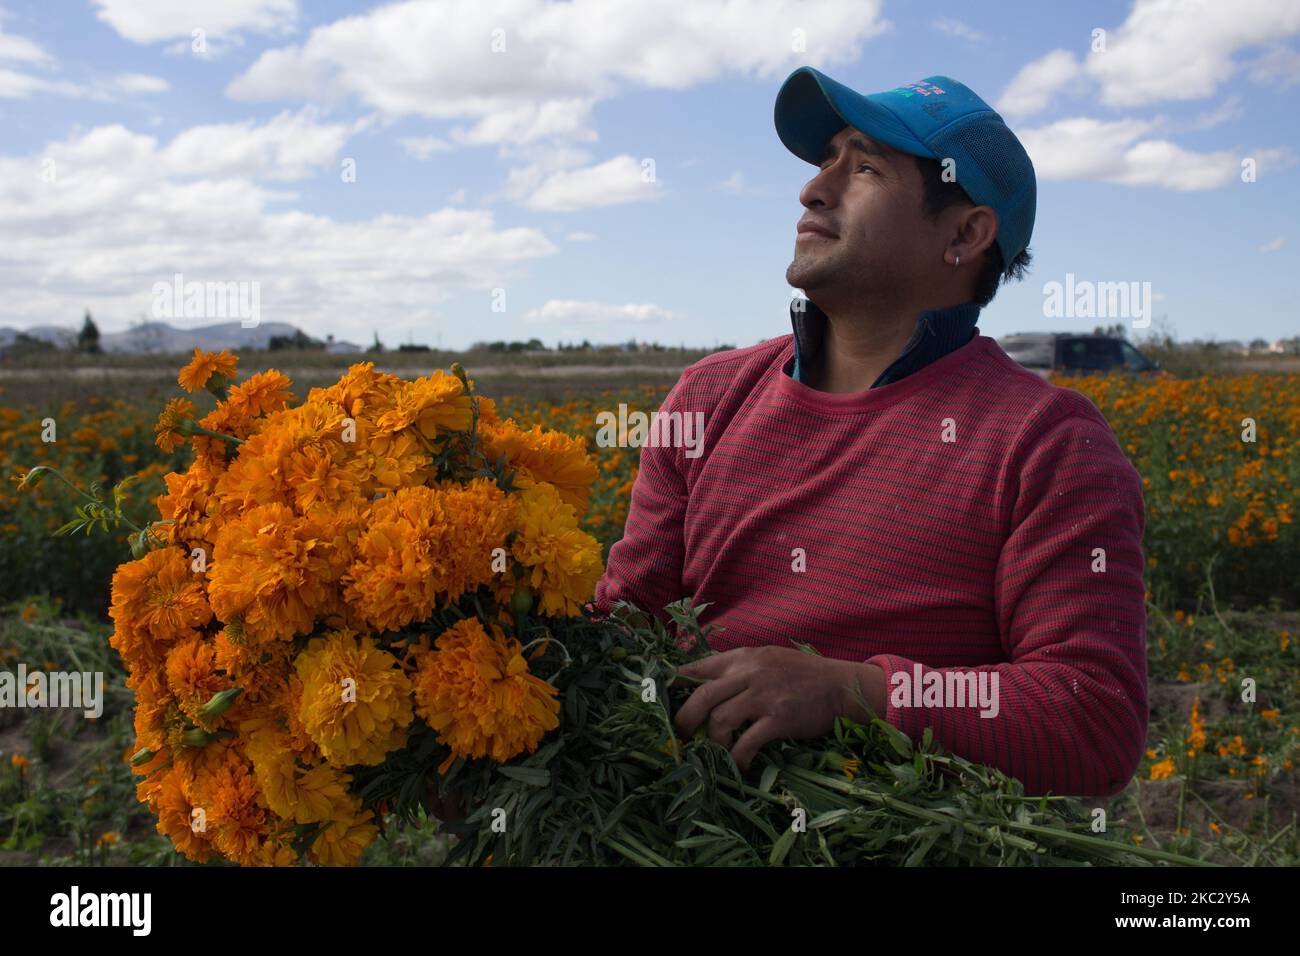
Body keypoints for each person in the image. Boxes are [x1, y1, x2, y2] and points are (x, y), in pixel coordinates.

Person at [592, 68, 1148, 798]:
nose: (813, 190)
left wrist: (853, 695)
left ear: (965, 232)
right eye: (826, 162)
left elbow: (1092, 718)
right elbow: (623, 630)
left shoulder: (1047, 442)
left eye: (864, 168)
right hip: (680, 816)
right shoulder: (710, 399)